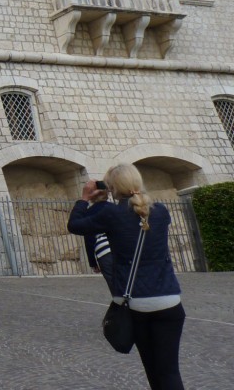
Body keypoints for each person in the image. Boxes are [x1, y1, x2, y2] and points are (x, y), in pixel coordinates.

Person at [68, 164, 185, 390]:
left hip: (138, 303)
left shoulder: (109, 213)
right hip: (170, 300)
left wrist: (86, 199)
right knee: (169, 371)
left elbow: (75, 225)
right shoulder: (161, 211)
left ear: (111, 187)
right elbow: (138, 217)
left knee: (153, 369)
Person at [81, 191, 114, 290]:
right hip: (119, 248)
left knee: (113, 284)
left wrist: (93, 262)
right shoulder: (116, 208)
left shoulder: (89, 212)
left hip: (103, 251)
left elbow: (89, 239)